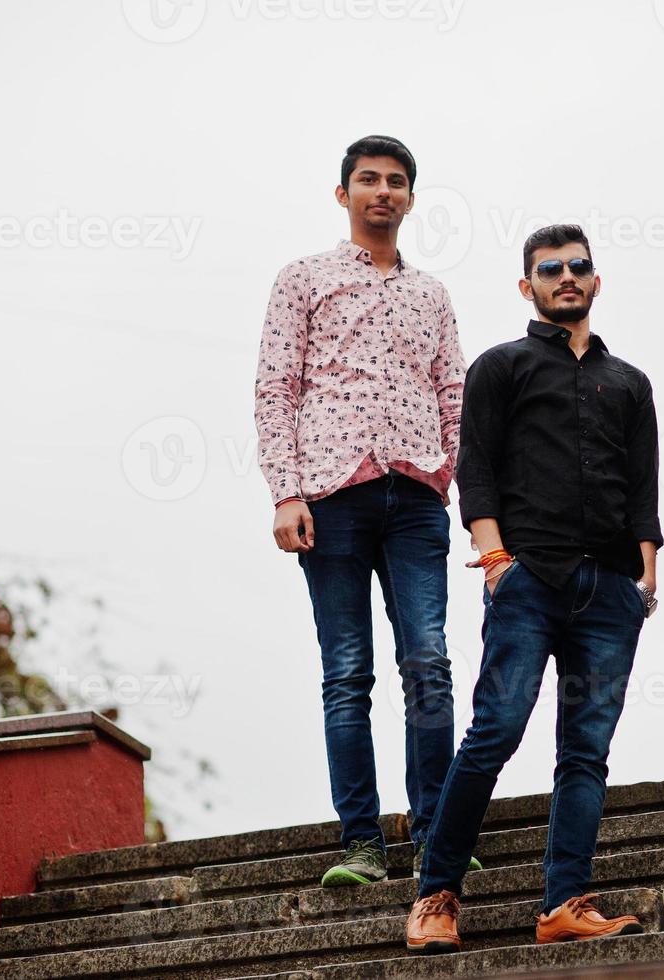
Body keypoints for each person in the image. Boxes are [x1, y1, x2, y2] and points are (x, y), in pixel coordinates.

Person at [405, 224, 663, 954]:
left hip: (611, 590)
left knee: (585, 752)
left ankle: (563, 903)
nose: (567, 277)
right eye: (550, 269)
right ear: (528, 286)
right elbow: (475, 472)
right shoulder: (500, 367)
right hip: (526, 583)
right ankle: (435, 897)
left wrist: (645, 575)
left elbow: (642, 485)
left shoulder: (629, 382)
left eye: (579, 266)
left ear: (595, 280)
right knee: (493, 734)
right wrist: (494, 562)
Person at [254, 135, 475, 887]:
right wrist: (285, 491)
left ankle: (438, 835)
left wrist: (449, 479)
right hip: (330, 497)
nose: (382, 191)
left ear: (411, 198)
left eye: (396, 182)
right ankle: (360, 845)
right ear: (342, 193)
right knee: (347, 671)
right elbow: (275, 387)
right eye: (368, 180)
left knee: (429, 662)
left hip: (415, 497)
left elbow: (456, 395)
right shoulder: (303, 279)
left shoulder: (431, 293)